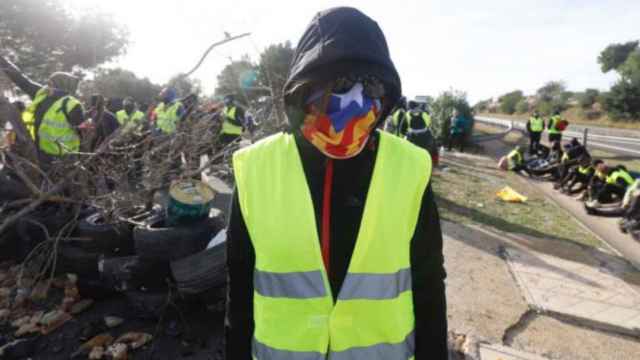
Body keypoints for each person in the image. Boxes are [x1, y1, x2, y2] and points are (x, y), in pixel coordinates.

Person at [225, 7, 447, 360]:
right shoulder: (255, 168)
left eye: (370, 85)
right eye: (338, 84)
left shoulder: (410, 167)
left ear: (387, 94)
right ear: (303, 89)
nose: (354, 102)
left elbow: (429, 281)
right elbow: (239, 286)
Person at [0, 55, 84, 162]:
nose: (47, 85)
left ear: (57, 85)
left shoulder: (72, 104)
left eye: (50, 83)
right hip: (39, 153)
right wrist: (2, 61)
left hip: (63, 159)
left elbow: (83, 135)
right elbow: (20, 79)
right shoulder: (43, 94)